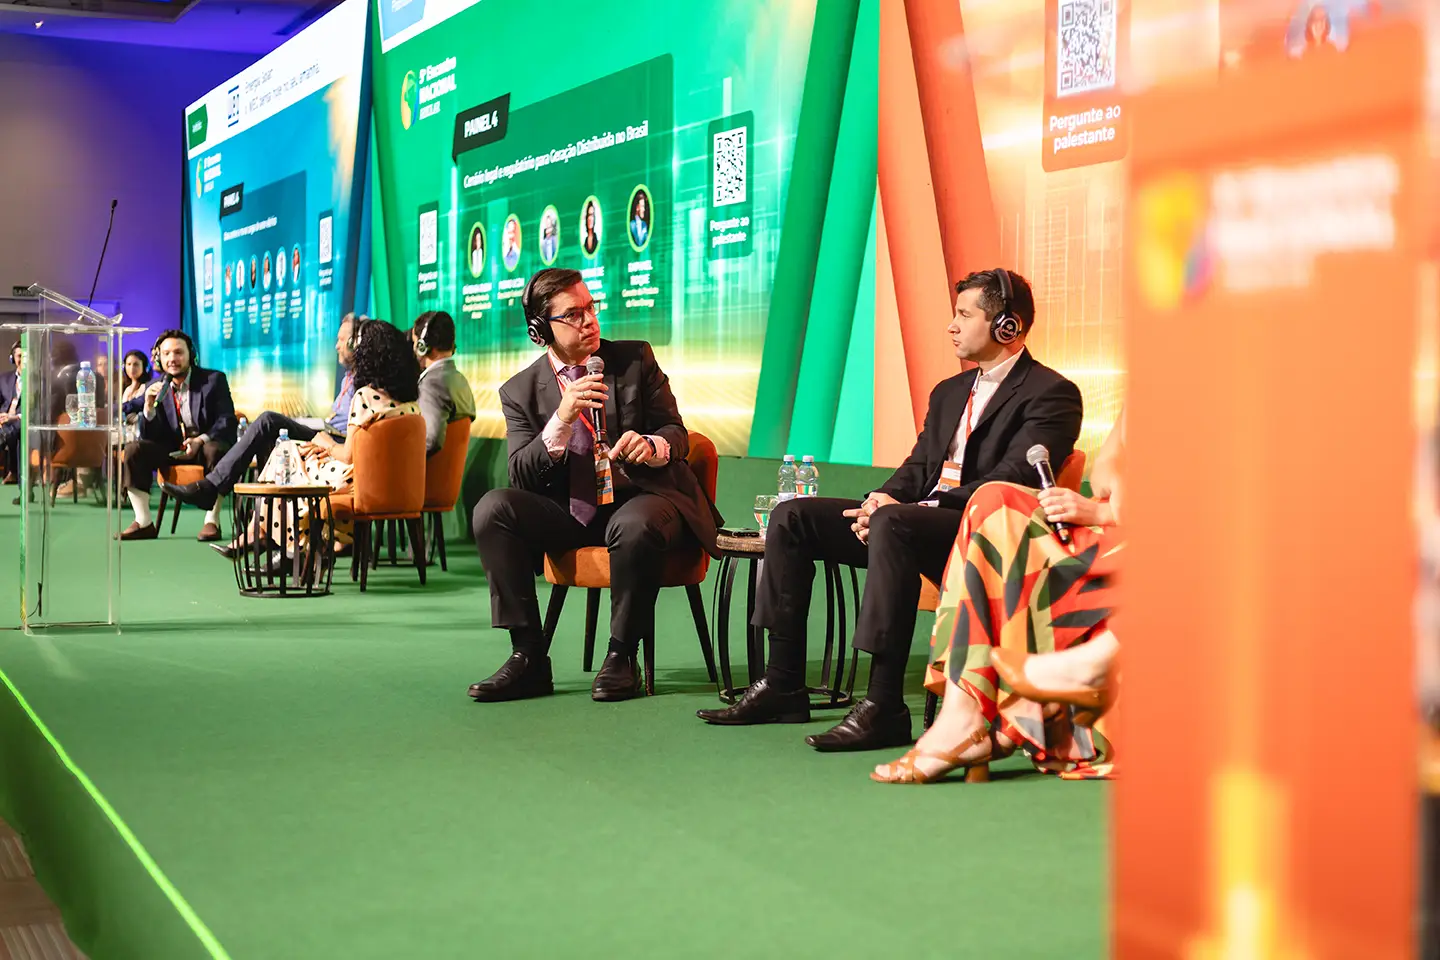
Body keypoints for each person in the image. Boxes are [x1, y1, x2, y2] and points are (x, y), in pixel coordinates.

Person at [697, 269, 1083, 752]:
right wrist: (877, 500)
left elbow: (1012, 479)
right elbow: (917, 466)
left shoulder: (1051, 393)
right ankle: (783, 684)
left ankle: (883, 706)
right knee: (793, 517)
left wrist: (908, 507)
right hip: (913, 523)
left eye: (964, 315)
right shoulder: (949, 392)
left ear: (1008, 326)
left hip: (984, 533)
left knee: (894, 521)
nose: (952, 326)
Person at [468, 267, 722, 704]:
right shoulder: (520, 391)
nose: (589, 320)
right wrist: (561, 419)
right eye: (574, 314)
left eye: (591, 307)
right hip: (572, 509)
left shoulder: (634, 359)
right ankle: (529, 657)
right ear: (540, 329)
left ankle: (622, 655)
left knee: (633, 525)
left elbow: (676, 432)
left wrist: (652, 444)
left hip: (644, 497)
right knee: (493, 509)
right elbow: (521, 475)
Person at [871, 408, 1125, 784]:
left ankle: (1042, 699)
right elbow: (1107, 466)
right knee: (994, 501)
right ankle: (962, 713)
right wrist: (1112, 487)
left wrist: (1110, 511)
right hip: (1107, 521)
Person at [161, 313, 365, 520]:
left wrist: (330, 443)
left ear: (356, 343)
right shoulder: (348, 378)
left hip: (336, 441)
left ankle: (212, 489)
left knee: (268, 421)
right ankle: (265, 518)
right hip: (327, 433)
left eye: (341, 340)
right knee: (268, 435)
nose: (336, 346)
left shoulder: (364, 381)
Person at [250, 320, 420, 556]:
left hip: (357, 482)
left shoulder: (365, 397)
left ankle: (285, 543)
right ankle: (290, 543)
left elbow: (348, 455)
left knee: (287, 453)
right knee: (300, 457)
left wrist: (326, 443)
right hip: (391, 483)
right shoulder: (412, 405)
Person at [119, 329, 236, 541]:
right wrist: (148, 409)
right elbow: (149, 436)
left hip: (205, 447)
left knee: (215, 449)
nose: (172, 358)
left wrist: (200, 440)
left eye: (178, 352)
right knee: (134, 450)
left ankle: (212, 520)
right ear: (159, 359)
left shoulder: (213, 380)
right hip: (172, 449)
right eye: (166, 354)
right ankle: (143, 522)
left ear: (191, 355)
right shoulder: (155, 387)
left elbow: (226, 420)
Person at [410, 311, 476, 456]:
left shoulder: (431, 385)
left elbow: (430, 440)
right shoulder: (460, 380)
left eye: (415, 342)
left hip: (428, 470)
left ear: (422, 346)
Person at [0, 341, 21, 483]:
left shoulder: (37, 381)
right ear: (13, 358)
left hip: (22, 421)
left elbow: (36, 410)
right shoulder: (4, 379)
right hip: (4, 421)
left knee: (10, 431)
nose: (22, 360)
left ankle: (14, 472)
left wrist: (14, 417)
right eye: (19, 356)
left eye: (25, 356)